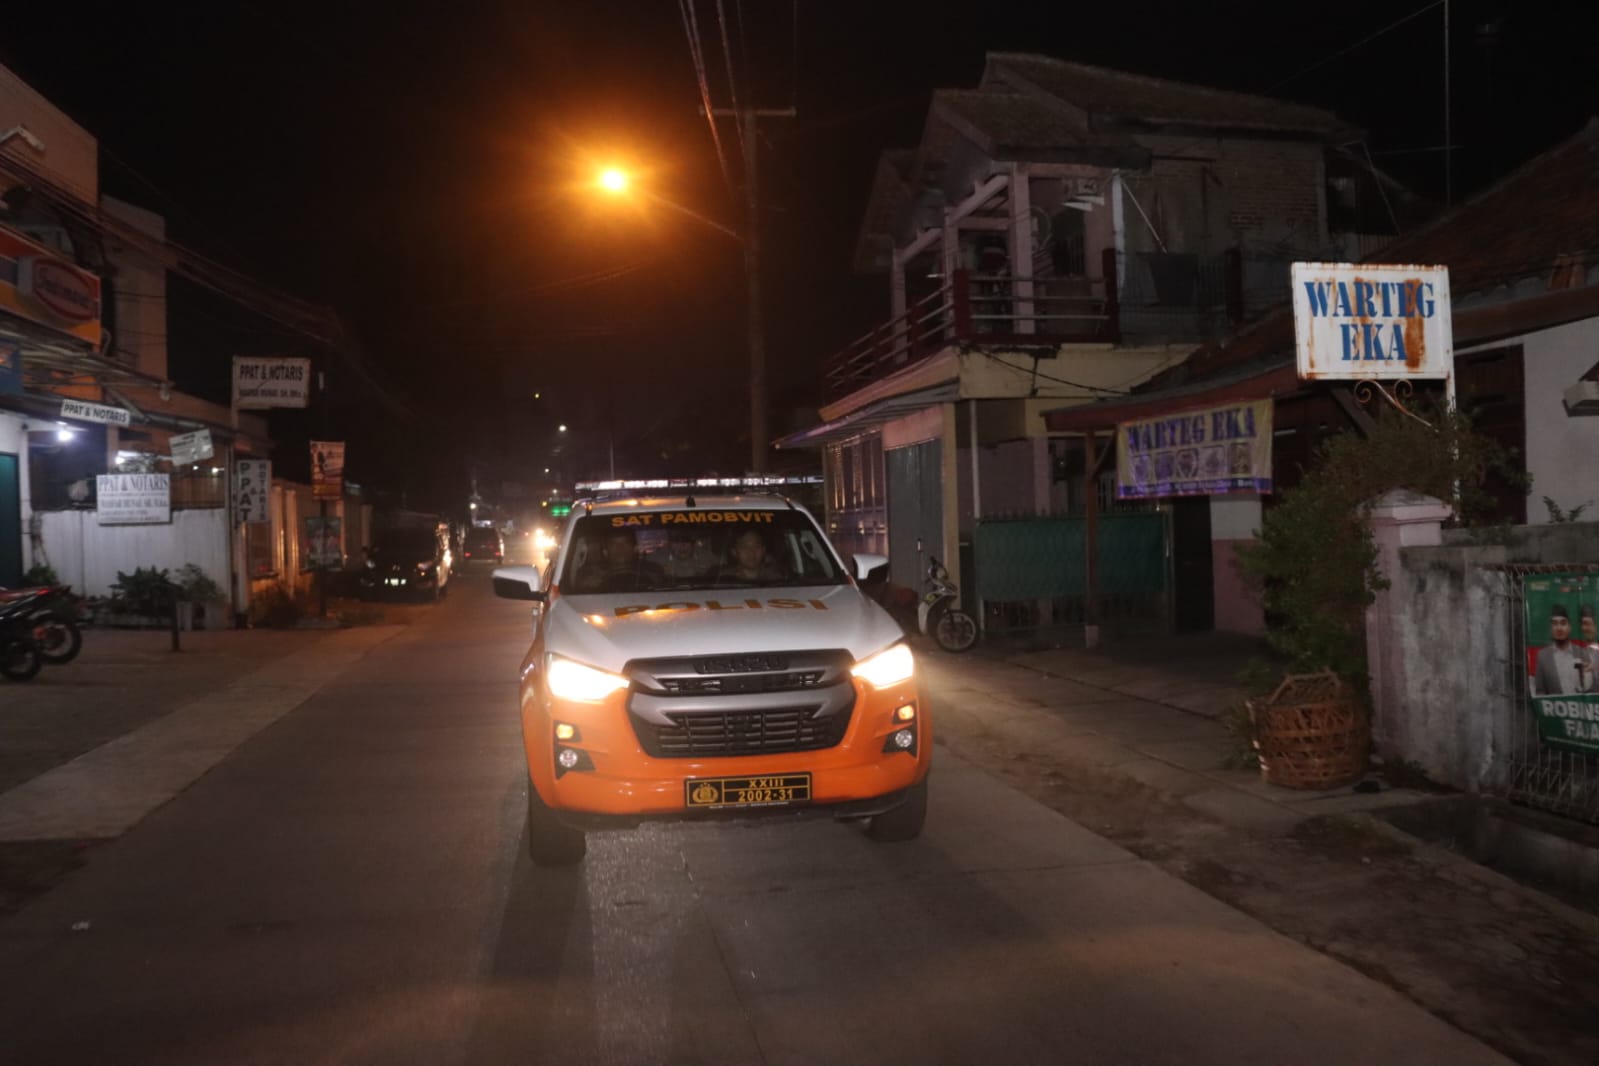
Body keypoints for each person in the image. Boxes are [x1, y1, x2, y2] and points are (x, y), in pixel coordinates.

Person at [1532, 603, 1596, 695]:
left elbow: (1592, 688)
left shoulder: (1582, 653)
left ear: (1569, 627)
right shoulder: (1543, 656)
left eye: (1563, 623)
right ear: (1551, 628)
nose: (1559, 628)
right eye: (1555, 623)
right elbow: (1540, 691)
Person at [576, 527, 662, 593]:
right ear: (605, 552)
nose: (620, 548)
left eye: (625, 543)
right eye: (614, 544)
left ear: (635, 549)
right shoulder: (592, 575)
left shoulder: (653, 572)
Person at [721, 529, 787, 584]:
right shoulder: (723, 579)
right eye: (744, 547)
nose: (751, 552)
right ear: (734, 552)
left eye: (756, 546)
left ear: (763, 550)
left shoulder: (778, 578)